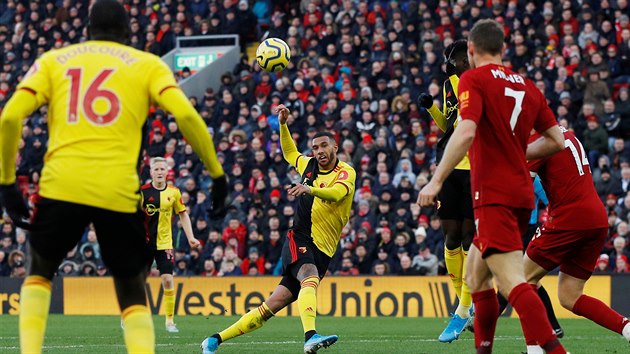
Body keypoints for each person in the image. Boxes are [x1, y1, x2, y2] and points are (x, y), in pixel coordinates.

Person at [0, 1, 227, 353]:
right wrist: (217, 175)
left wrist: (7, 182)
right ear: (128, 33)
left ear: (87, 30)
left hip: (62, 185)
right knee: (132, 287)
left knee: (39, 269)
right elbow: (186, 114)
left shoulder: (53, 61)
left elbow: (10, 118)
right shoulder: (147, 65)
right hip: (118, 191)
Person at [418, 19, 567, 354]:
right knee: (476, 278)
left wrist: (436, 179)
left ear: (471, 51)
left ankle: (555, 351)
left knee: (514, 281)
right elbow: (556, 140)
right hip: (518, 192)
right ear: (503, 49)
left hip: (493, 193)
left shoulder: (472, 78)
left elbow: (466, 130)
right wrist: (516, 153)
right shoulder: (526, 86)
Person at [201, 104, 356, 354]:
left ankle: (214, 340)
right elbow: (289, 152)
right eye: (315, 148)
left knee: (270, 306)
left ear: (335, 148)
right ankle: (310, 336)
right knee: (309, 276)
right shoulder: (308, 166)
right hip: (301, 236)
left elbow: (337, 194)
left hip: (325, 249)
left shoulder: (346, 172)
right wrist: (283, 125)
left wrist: (310, 189)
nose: (318, 152)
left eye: (323, 146)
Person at [523, 126, 630, 353]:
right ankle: (627, 328)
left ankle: (537, 349)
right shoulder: (568, 132)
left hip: (569, 219)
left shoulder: (537, 140)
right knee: (569, 295)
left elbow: (521, 186)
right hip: (595, 219)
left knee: (521, 279)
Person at [418, 39, 475, 342]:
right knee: (451, 237)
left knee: (470, 238)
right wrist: (431, 110)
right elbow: (447, 126)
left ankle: (463, 309)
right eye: (457, 59)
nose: (460, 62)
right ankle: (464, 303)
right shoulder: (450, 83)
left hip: (476, 168)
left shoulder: (481, 82)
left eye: (463, 57)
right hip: (450, 165)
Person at [496, 176, 564, 338]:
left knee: (515, 278)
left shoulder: (533, 178)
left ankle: (489, 318)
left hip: (527, 231)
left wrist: (551, 224)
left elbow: (551, 201)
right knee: (527, 280)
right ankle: (554, 326)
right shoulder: (504, 175)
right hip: (509, 230)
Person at [141, 157, 201, 333]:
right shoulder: (142, 192)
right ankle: (128, 315)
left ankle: (169, 321)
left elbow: (183, 215)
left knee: (167, 279)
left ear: (167, 172)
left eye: (162, 169)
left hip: (165, 242)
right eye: (156, 169)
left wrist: (191, 237)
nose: (159, 172)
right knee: (138, 281)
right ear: (151, 172)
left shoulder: (174, 193)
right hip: (144, 243)